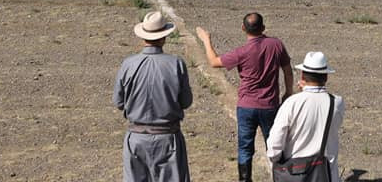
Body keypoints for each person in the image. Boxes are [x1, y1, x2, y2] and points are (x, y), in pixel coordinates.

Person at [196, 14, 292, 182]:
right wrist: (288, 91)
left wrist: (206, 40)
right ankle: (281, 177)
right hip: (270, 105)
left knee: (245, 148)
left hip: (246, 106)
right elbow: (287, 69)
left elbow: (214, 62)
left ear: (243, 28)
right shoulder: (276, 45)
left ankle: (244, 179)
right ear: (263, 28)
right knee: (275, 145)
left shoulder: (241, 52)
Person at [113, 11, 191, 182]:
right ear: (164, 37)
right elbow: (186, 102)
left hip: (136, 138)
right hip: (168, 138)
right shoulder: (176, 64)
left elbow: (118, 102)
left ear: (143, 37)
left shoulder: (128, 64)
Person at [266, 51, 345, 182]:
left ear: (302, 75)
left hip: (295, 172)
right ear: (326, 77)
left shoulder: (292, 103)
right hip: (327, 174)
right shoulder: (337, 102)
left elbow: (275, 143)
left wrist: (275, 164)